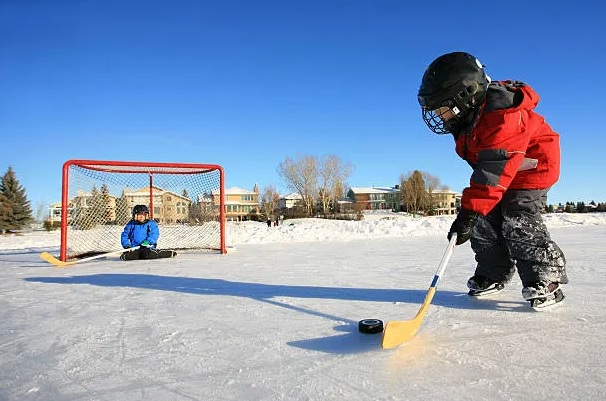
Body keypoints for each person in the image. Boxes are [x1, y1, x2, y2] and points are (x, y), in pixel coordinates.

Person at [417, 51, 568, 310]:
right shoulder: (468, 122)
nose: (440, 116)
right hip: (501, 170)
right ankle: (494, 271)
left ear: (465, 96)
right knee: (483, 218)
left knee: (517, 215)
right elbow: (488, 170)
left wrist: (469, 211)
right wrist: (475, 212)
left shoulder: (502, 116)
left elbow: (493, 169)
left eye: (443, 109)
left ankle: (545, 277)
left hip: (533, 166)